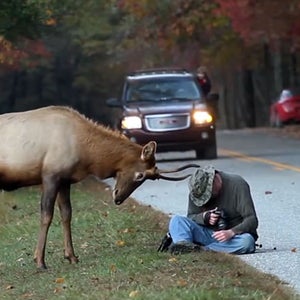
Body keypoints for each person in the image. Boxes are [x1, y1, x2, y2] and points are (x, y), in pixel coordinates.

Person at [161, 165, 259, 255]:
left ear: (215, 180)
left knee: (247, 242)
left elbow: (252, 220)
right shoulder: (196, 191)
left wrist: (231, 232)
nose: (206, 200)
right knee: (177, 220)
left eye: (208, 195)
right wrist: (204, 217)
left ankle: (201, 249)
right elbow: (190, 218)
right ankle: (183, 245)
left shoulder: (237, 184)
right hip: (206, 233)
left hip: (232, 238)